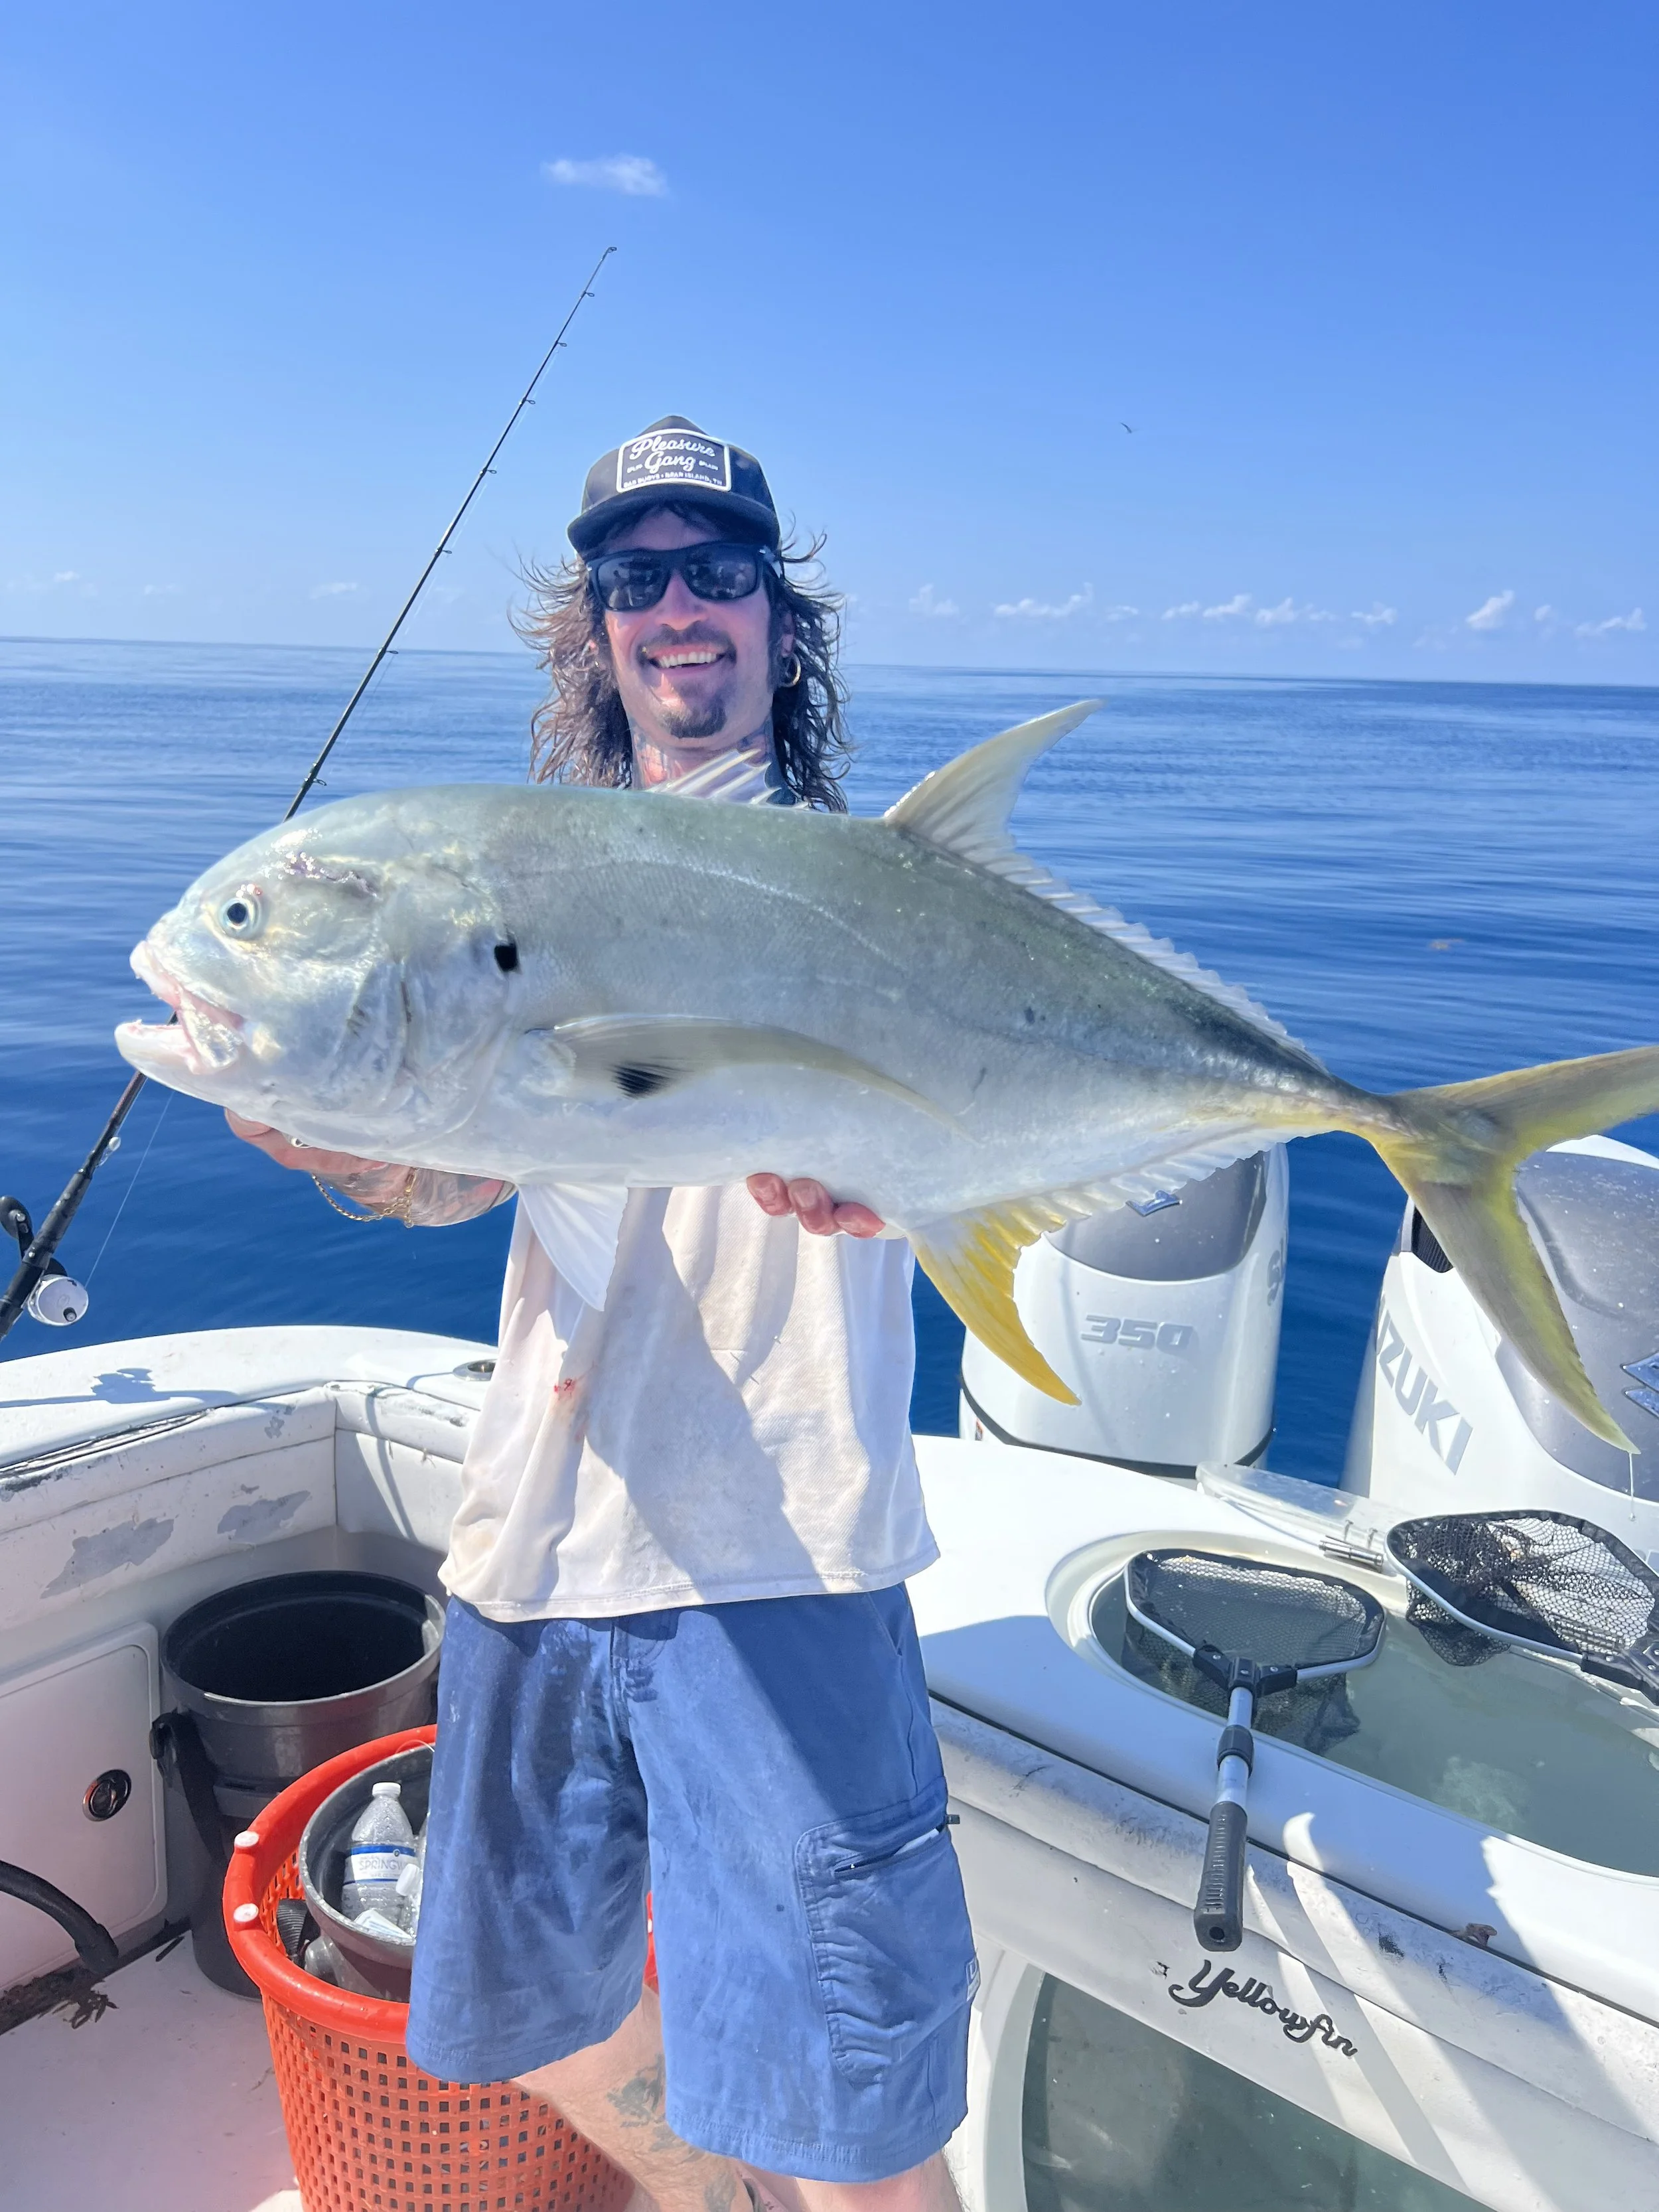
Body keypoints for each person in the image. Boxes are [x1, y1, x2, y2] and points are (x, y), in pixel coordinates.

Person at [230, 417, 975, 2212]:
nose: (679, 608)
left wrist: (909, 1176)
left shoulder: (877, 895)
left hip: (773, 1547)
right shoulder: (521, 886)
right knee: (507, 2012)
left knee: (857, 2110)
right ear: (597, 630)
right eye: (635, 578)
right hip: (538, 1547)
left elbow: (965, 1141)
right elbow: (459, 1171)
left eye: (718, 569)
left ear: (777, 627)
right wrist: (335, 1131)